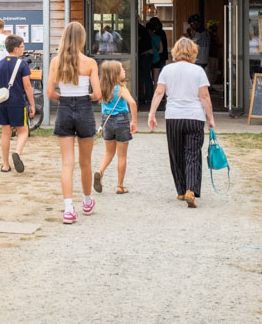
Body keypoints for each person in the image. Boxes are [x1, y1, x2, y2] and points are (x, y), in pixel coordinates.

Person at [147, 36, 216, 208]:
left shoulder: (167, 70)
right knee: (193, 154)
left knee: (176, 153)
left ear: (175, 51)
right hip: (195, 117)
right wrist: (211, 118)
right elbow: (204, 96)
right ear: (193, 52)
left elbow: (159, 92)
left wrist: (152, 114)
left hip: (174, 117)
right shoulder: (198, 71)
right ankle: (191, 190)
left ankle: (180, 190)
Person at [46, 21, 101, 224]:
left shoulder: (56, 62)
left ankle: (69, 208)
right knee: (85, 162)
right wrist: (85, 97)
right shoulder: (90, 62)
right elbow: (98, 94)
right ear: (82, 39)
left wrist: (65, 99)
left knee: (67, 163)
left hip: (65, 109)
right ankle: (86, 201)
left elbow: (50, 92)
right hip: (84, 109)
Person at [94, 60, 138, 194]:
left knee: (109, 152)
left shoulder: (102, 89)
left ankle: (100, 171)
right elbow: (132, 103)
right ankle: (120, 186)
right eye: (122, 69)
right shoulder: (121, 89)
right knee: (122, 156)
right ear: (115, 74)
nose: (124, 71)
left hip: (106, 122)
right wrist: (134, 121)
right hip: (121, 121)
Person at [0, 35, 35, 173]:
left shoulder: (0, 64)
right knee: (23, 130)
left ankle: (5, 165)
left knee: (5, 133)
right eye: (22, 46)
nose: (24, 49)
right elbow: (27, 86)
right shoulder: (22, 64)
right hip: (17, 102)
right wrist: (32, 104)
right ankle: (17, 152)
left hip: (2, 102)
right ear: (16, 49)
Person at [136, 20, 153, 107]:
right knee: (146, 77)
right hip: (146, 55)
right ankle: (146, 97)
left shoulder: (138, 28)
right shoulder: (141, 28)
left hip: (145, 56)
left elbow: (138, 40)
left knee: (145, 77)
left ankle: (148, 97)